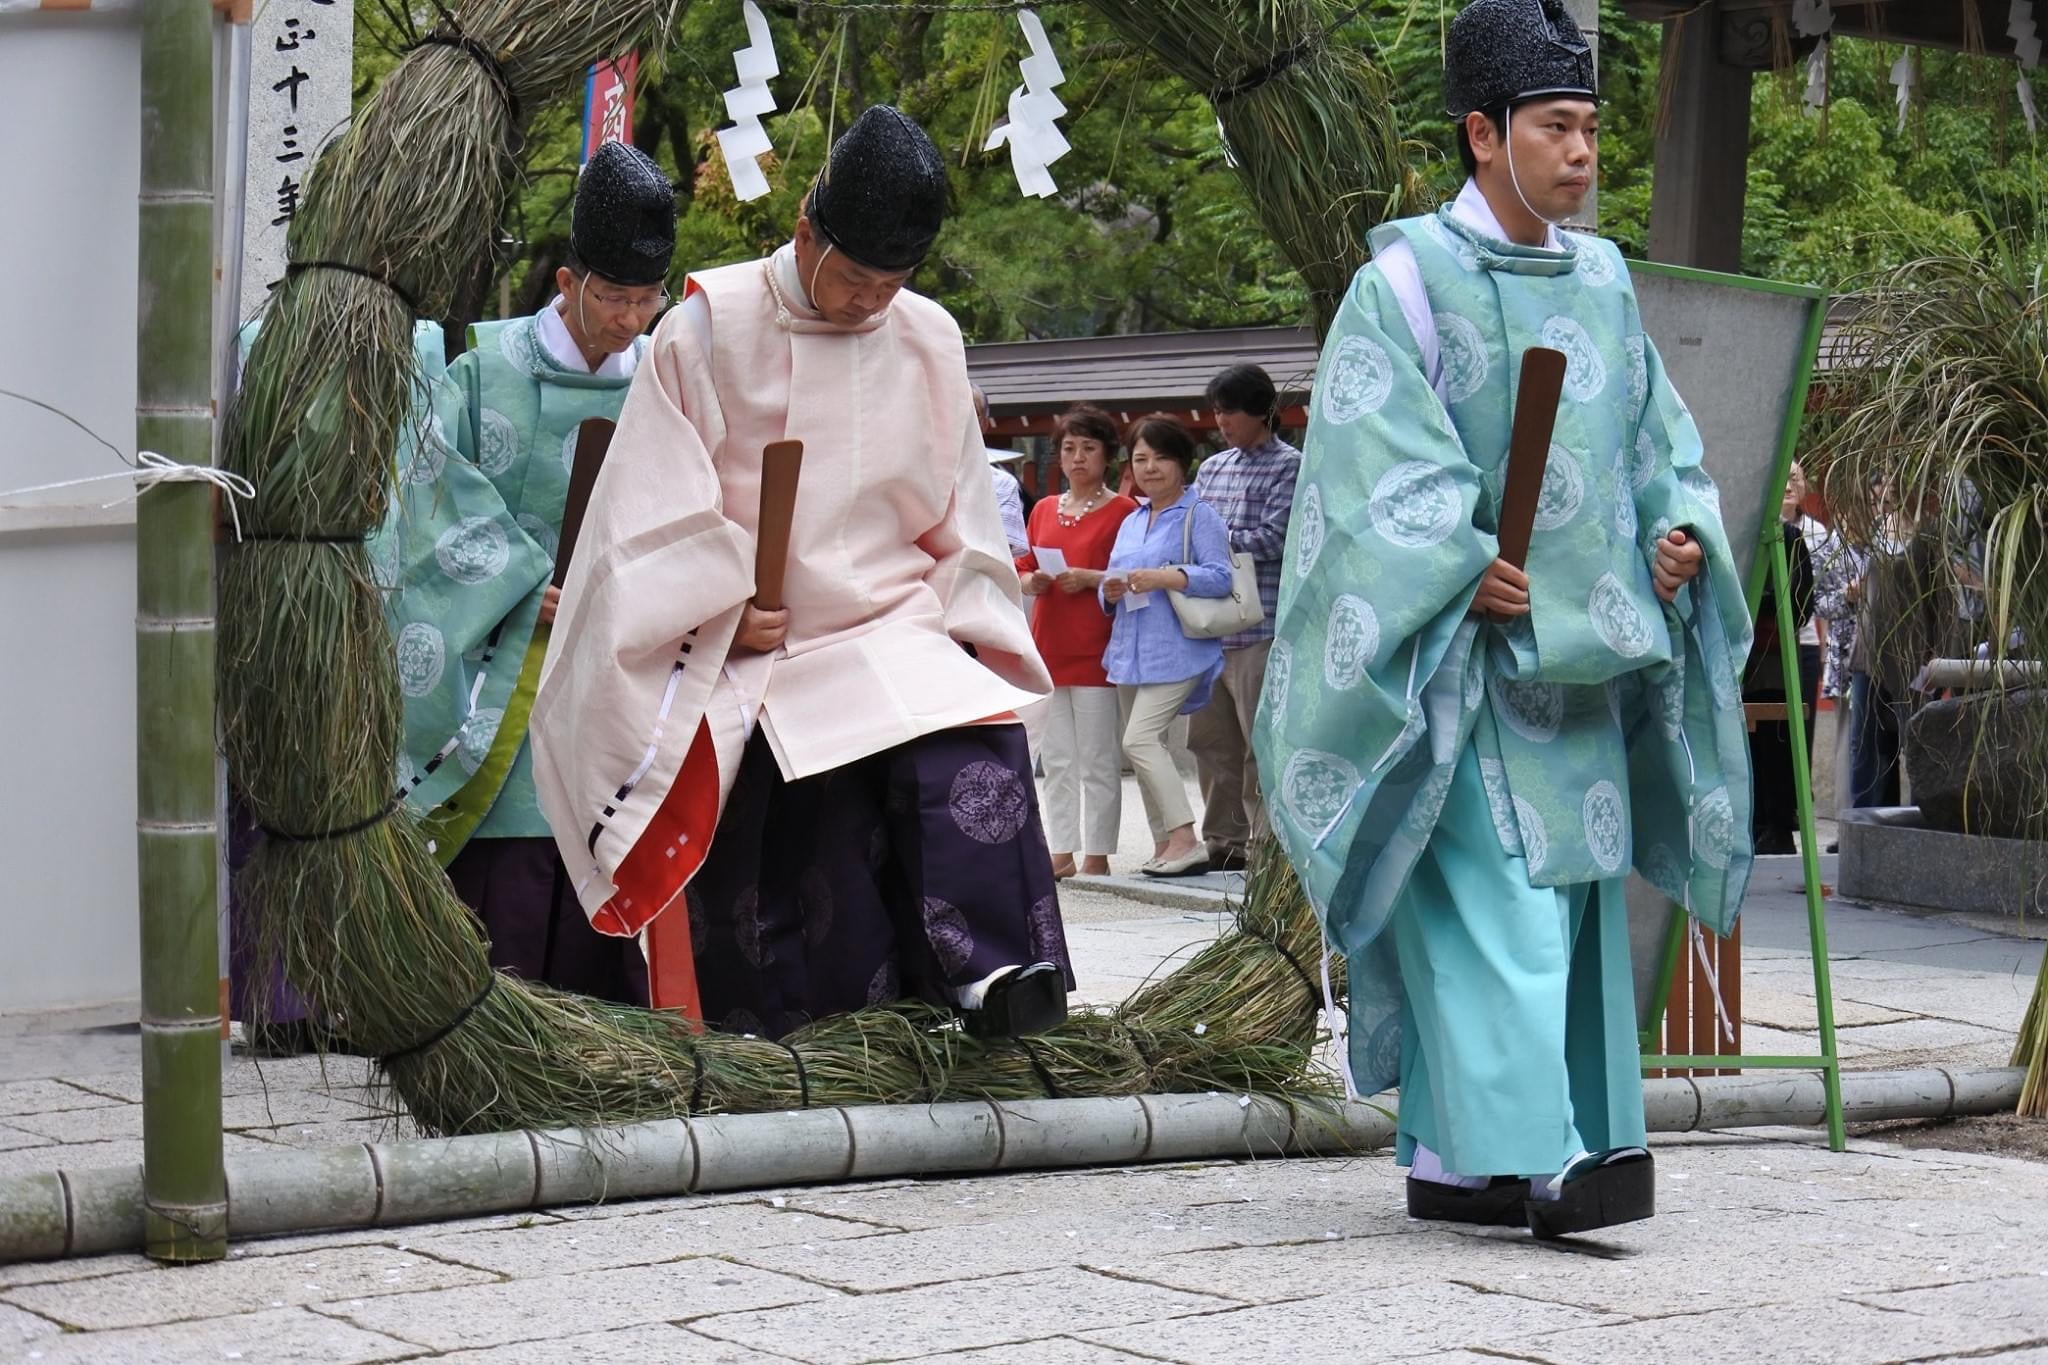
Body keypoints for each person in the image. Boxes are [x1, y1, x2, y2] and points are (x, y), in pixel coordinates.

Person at [1254, 0, 1753, 1239]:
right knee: (1499, 910)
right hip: (1461, 666)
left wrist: (1677, 531)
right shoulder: (1403, 282)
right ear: (1482, 134)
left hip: (1583, 655)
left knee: (1567, 905)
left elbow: (1652, 441)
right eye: (1554, 128)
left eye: (1588, 128)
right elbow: (1368, 474)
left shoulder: (1601, 275)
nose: (1580, 153)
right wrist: (1458, 560)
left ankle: (1453, 1156)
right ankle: (1545, 1157)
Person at [530, 106, 1072, 1042]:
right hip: (759, 640)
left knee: (970, 741)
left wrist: (964, 625)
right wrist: (722, 611)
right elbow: (651, 513)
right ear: (805, 232)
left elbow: (961, 513)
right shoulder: (705, 328)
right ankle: (847, 1028)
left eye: (893, 282)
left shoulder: (930, 336)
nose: (871, 302)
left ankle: (998, 979)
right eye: (856, 276)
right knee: (809, 799)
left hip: (899, 618)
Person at [377, 140, 677, 1006]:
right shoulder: (484, 368)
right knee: (511, 833)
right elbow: (434, 492)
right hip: (503, 651)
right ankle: (491, 1022)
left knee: (601, 818)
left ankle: (605, 1034)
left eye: (645, 299)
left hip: (615, 648)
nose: (630, 319)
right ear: (568, 284)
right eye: (614, 296)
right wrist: (516, 582)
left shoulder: (660, 382)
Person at [1101, 415, 1235, 878]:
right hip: (1130, 649)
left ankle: (1184, 838)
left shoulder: (1200, 515)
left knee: (1138, 740)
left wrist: (1167, 576)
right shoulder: (1132, 519)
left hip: (1179, 649)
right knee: (1144, 744)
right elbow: (1111, 577)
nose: (1150, 467)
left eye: (1161, 458)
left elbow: (1222, 577)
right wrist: (1109, 592)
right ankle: (1164, 844)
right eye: (1140, 459)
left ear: (1182, 463)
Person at [1017, 405, 1139, 879]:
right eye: (1069, 448)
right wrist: (1032, 583)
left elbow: (1132, 571)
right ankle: (1062, 848)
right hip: (1049, 642)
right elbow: (1025, 564)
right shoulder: (1046, 507)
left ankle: (1099, 852)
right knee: (1059, 758)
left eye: (1088, 447)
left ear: (1107, 455)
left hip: (1098, 646)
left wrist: (1089, 578)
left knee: (1097, 756)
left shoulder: (1124, 510)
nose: (1077, 457)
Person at [1189, 364, 1301, 871]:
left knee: (1261, 744)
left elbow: (1277, 539)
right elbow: (1188, 529)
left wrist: (1215, 545)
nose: (1221, 420)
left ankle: (1266, 848)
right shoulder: (1211, 468)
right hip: (1208, 628)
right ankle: (1222, 840)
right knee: (1210, 743)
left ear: (1261, 410)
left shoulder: (1291, 466)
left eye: (1229, 409)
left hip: (1261, 624)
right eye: (1216, 410)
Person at [1744, 467, 1818, 854]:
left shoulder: (1790, 537)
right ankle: (1752, 821)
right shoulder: (1738, 533)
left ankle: (1776, 824)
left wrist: (1766, 616)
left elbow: (1804, 601)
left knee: (1779, 742)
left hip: (1775, 656)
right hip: (1739, 659)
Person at [974, 384, 1030, 557]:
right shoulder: (917, 477)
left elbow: (1001, 554)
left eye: (970, 412)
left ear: (984, 424)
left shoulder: (1001, 485)